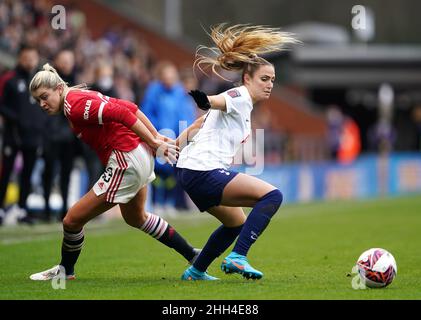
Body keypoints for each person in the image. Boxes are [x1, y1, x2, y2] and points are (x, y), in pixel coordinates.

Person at [28, 63, 200, 280]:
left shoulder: (74, 105)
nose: (42, 104)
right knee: (136, 217)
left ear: (59, 89)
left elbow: (121, 112)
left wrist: (155, 141)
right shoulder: (79, 96)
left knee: (71, 221)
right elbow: (130, 106)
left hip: (126, 160)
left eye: (45, 96)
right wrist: (154, 137)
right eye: (38, 100)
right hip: (138, 155)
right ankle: (192, 254)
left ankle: (65, 272)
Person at [175, 24, 297, 280]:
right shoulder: (240, 96)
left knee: (236, 223)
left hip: (190, 172)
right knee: (272, 196)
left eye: (272, 80)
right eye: (264, 79)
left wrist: (173, 146)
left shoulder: (244, 104)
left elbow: (199, 124)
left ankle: (196, 271)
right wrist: (205, 99)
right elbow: (218, 100)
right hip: (203, 171)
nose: (270, 84)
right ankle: (238, 256)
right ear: (247, 79)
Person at [141, 61, 195, 215]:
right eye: (167, 75)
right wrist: (155, 132)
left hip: (176, 139)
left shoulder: (179, 92)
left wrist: (185, 133)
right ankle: (157, 203)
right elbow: (147, 113)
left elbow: (184, 114)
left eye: (173, 76)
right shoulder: (154, 91)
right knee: (158, 171)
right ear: (161, 76)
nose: (170, 78)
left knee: (172, 172)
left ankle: (169, 203)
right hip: (159, 137)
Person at [0, 44, 46, 225]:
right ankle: (1, 208)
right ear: (20, 58)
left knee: (27, 173)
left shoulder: (40, 81)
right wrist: (17, 119)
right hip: (14, 135)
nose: (29, 62)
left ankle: (21, 209)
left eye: (32, 58)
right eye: (26, 58)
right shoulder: (9, 79)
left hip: (33, 137)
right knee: (6, 172)